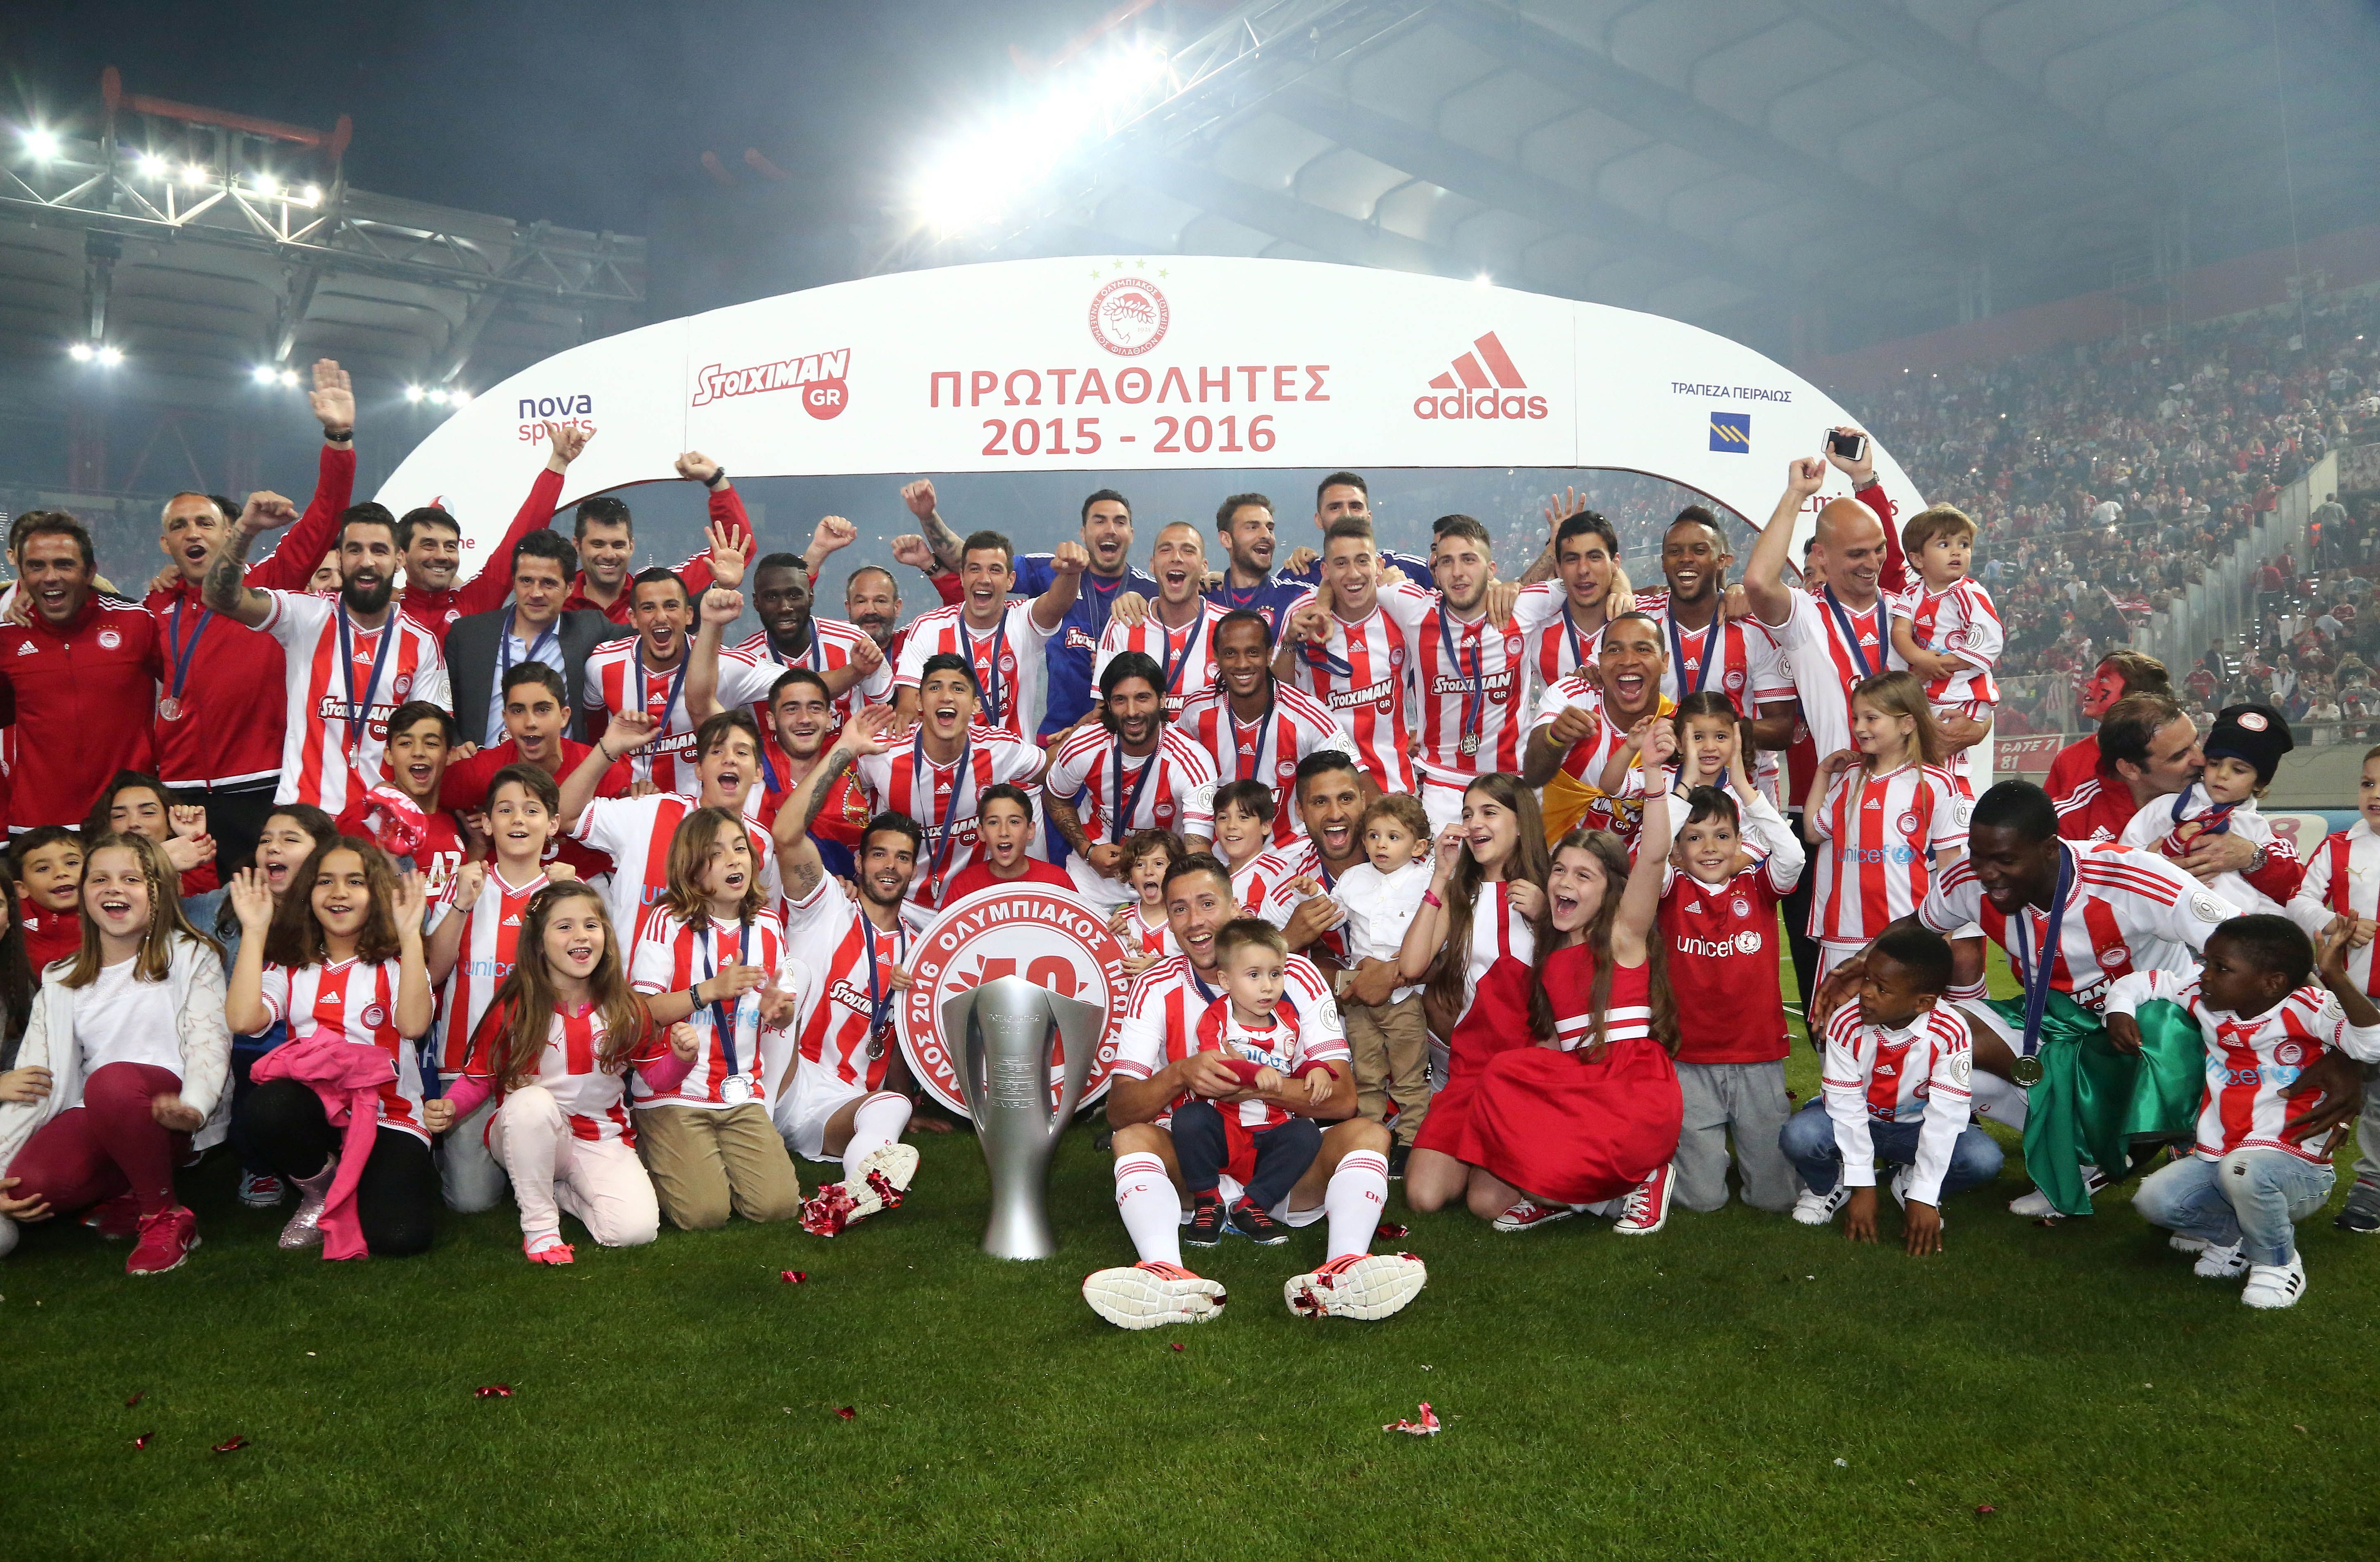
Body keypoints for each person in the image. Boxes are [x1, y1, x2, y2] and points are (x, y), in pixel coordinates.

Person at [1814, 781, 2367, 1221]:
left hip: (2148, 1029)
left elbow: (2263, 952)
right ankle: (2073, 1153)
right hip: (2052, 1024)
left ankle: (2138, 1142)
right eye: (1979, 857)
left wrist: (2344, 1054)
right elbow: (1919, 923)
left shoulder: (2133, 877)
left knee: (2160, 1021)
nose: (1986, 874)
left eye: (2003, 860)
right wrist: (1858, 963)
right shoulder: (1969, 878)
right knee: (1942, 1033)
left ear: (2048, 848)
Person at [1083, 857, 1419, 1329]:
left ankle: (1342, 1270)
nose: (1195, 921)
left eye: (1207, 903)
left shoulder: (1293, 974)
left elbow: (1344, 1100)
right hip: (1194, 1168)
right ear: (1169, 921)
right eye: (1179, 909)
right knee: (1132, 1138)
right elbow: (1120, 1111)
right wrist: (1181, 1074)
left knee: (1369, 1134)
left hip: (1283, 1168)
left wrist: (1257, 1087)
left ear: (1236, 907)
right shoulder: (1154, 985)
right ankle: (1166, 1274)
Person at [144, 361, 357, 875]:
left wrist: (338, 439)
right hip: (180, 795)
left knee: (261, 909)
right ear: (166, 543)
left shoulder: (269, 583)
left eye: (205, 522)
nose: (193, 533)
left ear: (227, 533)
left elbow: (324, 516)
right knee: (190, 912)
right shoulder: (154, 608)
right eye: (180, 526)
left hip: (261, 784)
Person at [2113, 915, 2380, 1308]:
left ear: (2271, 983)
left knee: (2243, 1170)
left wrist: (2336, 977)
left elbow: (2373, 1046)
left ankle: (2279, 1262)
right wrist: (2119, 1010)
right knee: (2155, 1200)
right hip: (2220, 1157)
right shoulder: (2204, 998)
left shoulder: (2308, 1007)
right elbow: (2144, 982)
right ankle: (2234, 1237)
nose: (2205, 974)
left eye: (2221, 968)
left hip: (2295, 1168)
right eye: (2207, 962)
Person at [0, 834, 229, 1272]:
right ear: (84, 892)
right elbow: (34, 1076)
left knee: (113, 1081)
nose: (113, 888)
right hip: (101, 1106)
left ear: (159, 891)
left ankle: (164, 1215)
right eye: (100, 879)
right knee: (29, 1187)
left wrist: (196, 1107)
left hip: (174, 1107)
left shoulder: (190, 955)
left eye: (131, 879)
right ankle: (129, 1190)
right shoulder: (61, 977)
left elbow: (210, 1042)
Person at [443, 882, 687, 1262]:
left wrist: (682, 1057)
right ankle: (541, 1228)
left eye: (591, 925)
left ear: (606, 935)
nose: (581, 935)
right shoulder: (515, 1008)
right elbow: (480, 1078)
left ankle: (562, 1192)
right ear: (538, 944)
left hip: (600, 1137)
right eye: (564, 926)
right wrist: (450, 1107)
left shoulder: (626, 1007)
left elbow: (657, 1078)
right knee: (532, 1104)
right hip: (527, 1129)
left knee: (634, 1232)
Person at [226, 837, 437, 1258]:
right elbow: (243, 1020)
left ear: (376, 894)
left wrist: (410, 936)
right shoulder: (290, 968)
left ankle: (379, 1178)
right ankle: (320, 1191)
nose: (339, 892)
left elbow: (414, 1026)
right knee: (269, 1105)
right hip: (317, 1113)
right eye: (325, 881)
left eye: (355, 881)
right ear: (308, 894)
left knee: (399, 1238)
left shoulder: (397, 965)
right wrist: (254, 931)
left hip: (389, 1115)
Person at [769, 718, 929, 1234]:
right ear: (858, 862)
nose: (890, 866)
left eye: (903, 858)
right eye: (879, 854)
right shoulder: (826, 907)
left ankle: (855, 1191)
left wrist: (908, 1105)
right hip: (784, 1078)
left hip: (840, 1106)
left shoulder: (918, 948)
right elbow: (785, 834)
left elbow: (899, 1045)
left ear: (914, 870)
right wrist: (844, 749)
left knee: (891, 1104)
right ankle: (871, 1171)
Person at [201, 499, 450, 818]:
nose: (367, 561)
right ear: (341, 558)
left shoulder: (423, 643)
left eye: (379, 550)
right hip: (305, 818)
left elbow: (431, 743)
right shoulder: (304, 614)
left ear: (399, 558)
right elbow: (219, 597)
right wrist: (246, 530)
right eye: (355, 550)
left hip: (382, 821)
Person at [626, 807, 804, 1230]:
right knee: (704, 1214)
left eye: (740, 849)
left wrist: (779, 1010)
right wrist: (708, 990)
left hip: (742, 1095)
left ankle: (707, 1162)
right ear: (691, 867)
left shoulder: (768, 924)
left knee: (778, 1206)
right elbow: (643, 1012)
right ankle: (647, 1145)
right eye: (716, 853)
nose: (733, 860)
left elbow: (784, 1014)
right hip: (675, 1094)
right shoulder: (668, 919)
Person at [1781, 924, 2002, 1252]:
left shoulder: (1951, 1030)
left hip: (1916, 1129)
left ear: (1923, 1002)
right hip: (1860, 1120)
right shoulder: (1846, 1021)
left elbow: (1946, 1115)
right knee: (1800, 1135)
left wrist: (1925, 1194)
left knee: (1983, 1159)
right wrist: (1862, 1185)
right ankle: (1830, 1184)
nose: (1866, 993)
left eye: (1882, 988)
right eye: (1867, 979)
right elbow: (1846, 1106)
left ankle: (1911, 1180)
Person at [1396, 772, 1552, 1215]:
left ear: (1521, 823)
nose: (1474, 823)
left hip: (1530, 1074)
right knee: (1423, 1196)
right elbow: (1411, 966)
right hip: (1470, 1072)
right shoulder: (1460, 892)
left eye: (1489, 812)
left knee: (1487, 1203)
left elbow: (1583, 974)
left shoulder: (1551, 887)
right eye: (1468, 814)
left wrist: (1547, 916)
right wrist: (1441, 875)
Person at [907, 481, 1154, 754]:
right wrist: (928, 517)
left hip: (1129, 732)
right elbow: (979, 562)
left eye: (1120, 522)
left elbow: (1185, 626)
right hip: (1058, 737)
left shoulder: (1152, 592)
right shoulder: (1051, 569)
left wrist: (1204, 582)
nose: (1110, 529)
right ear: (1083, 533)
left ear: (1131, 534)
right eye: (1100, 521)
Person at [1660, 766, 1806, 1217]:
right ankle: (1693, 1162)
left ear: (1741, 843)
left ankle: (1764, 1158)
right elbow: (1651, 851)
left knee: (1777, 1199)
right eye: (1694, 837)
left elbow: (1793, 855)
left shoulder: (1757, 886)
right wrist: (1683, 787)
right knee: (1702, 1200)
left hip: (1757, 1054)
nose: (1710, 847)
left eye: (1722, 836)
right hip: (1690, 1057)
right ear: (1677, 851)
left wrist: (1745, 789)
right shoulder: (1669, 889)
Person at [423, 764, 562, 1214]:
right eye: (505, 810)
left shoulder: (566, 891)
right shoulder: (464, 884)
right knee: (471, 1203)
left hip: (547, 1069)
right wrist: (462, 904)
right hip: (465, 1067)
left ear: (553, 824)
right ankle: (464, 1156)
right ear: (486, 822)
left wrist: (567, 896)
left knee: (557, 1174)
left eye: (531, 810)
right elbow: (435, 971)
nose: (518, 820)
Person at [1171, 918, 1334, 1245]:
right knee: (1190, 1118)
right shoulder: (1216, 1018)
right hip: (1225, 1132)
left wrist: (1317, 1069)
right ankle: (1208, 1200)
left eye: (1276, 974)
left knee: (1306, 1133)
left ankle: (1252, 1205)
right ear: (1226, 980)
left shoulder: (1289, 1018)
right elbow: (1214, 1062)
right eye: (1254, 975)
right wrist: (1251, 1072)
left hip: (1270, 1134)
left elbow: (1299, 1060)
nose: (1267, 986)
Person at [1800, 671, 1966, 982]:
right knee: (1836, 1013)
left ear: (1907, 723)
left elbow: (1950, 867)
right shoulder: (1850, 778)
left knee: (1899, 1012)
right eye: (1856, 718)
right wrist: (1823, 772)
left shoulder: (1936, 783)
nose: (1859, 727)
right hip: (1843, 933)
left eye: (1871, 718)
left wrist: (1943, 933)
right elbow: (1813, 832)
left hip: (1906, 936)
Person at [560, 709, 780, 945]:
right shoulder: (650, 810)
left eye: (742, 752)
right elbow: (566, 816)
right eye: (717, 751)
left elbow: (754, 915)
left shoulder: (761, 842)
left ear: (758, 773)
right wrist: (609, 748)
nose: (730, 759)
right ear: (699, 770)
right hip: (634, 969)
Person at [0, 513, 164, 828]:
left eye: (64, 564)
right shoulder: (7, 638)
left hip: (124, 821)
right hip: (40, 826)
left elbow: (188, 688)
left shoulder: (136, 622)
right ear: (22, 573)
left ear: (90, 573)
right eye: (36, 566)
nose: (50, 577)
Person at [852, 655, 1046, 914]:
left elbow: (1053, 771)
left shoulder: (999, 748)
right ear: (919, 702)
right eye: (935, 688)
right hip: (900, 904)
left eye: (958, 688)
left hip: (973, 904)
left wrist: (1079, 733)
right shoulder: (882, 753)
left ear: (976, 705)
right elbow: (843, 805)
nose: (946, 697)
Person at [1631, 506, 1797, 804]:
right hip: (1656, 788)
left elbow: (1783, 729)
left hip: (1742, 794)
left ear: (1722, 560)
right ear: (1663, 562)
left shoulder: (1754, 629)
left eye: (1699, 550)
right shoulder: (1639, 624)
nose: (1686, 559)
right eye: (1675, 551)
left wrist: (1715, 732)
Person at [220, 804, 339, 1209]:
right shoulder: (235, 903)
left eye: (290, 839)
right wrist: (255, 928)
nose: (273, 847)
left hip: (338, 1047)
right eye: (265, 840)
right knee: (249, 1051)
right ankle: (260, 1162)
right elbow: (245, 1019)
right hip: (268, 1042)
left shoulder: (347, 906)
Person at [2287, 744, 2380, 1233]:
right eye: (2368, 783)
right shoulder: (2339, 845)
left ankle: (2372, 1188)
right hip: (2347, 1001)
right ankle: (2290, 1169)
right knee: (2334, 1088)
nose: (2375, 794)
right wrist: (2334, 922)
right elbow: (2299, 900)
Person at [1046, 652, 1217, 909]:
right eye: (1120, 700)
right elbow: (1056, 797)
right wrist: (1088, 851)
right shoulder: (1083, 746)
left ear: (1162, 700)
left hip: (1164, 878)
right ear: (1108, 704)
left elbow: (1198, 849)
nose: (1132, 712)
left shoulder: (1192, 761)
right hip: (1094, 875)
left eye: (1142, 698)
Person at [1171, 610, 1354, 848]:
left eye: (1253, 653)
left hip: (1290, 854)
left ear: (1269, 655)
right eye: (1231, 654)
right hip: (1218, 855)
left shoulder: (1306, 714)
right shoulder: (1195, 713)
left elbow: (1355, 777)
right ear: (1216, 657)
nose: (1242, 664)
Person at [1279, 518, 1434, 798]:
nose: (1353, 574)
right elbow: (1280, 695)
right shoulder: (1304, 614)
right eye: (1341, 564)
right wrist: (1289, 642)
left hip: (1397, 791)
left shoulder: (1401, 609)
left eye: (1362, 561)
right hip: (1330, 795)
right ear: (1325, 571)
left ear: (1378, 565)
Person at [892, 530, 1086, 742]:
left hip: (1013, 761)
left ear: (1011, 580)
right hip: (949, 760)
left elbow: (1057, 604)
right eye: (975, 569)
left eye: (995, 570)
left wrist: (1071, 574)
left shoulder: (1022, 621)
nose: (984, 579)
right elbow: (908, 708)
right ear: (962, 577)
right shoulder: (929, 628)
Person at [1326, 792, 1433, 1174]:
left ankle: (1410, 1140)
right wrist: (1311, 895)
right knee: (1366, 1070)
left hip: (1403, 992)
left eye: (1393, 837)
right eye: (1373, 836)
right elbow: (1334, 913)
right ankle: (1368, 1135)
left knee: (1409, 1072)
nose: (1381, 845)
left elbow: (1435, 936)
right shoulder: (1354, 878)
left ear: (1418, 846)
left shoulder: (1425, 882)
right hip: (1357, 991)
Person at [579, 534, 733, 796]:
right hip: (631, 807)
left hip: (702, 811)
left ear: (689, 614)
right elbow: (593, 738)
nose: (661, 617)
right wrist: (617, 788)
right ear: (633, 618)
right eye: (648, 608)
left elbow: (793, 687)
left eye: (671, 606)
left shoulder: (726, 663)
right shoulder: (601, 664)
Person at [440, 665, 624, 884]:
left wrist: (641, 793)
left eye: (543, 710)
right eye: (518, 711)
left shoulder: (601, 769)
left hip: (586, 887)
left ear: (564, 716)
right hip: (502, 889)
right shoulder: (480, 771)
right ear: (505, 718)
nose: (530, 723)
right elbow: (423, 799)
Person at [2119, 704, 2297, 916]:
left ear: (2259, 784)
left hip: (2236, 926)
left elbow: (2287, 894)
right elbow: (2125, 859)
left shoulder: (2258, 829)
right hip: (2169, 917)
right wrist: (2164, 859)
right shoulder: (2167, 806)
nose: (2223, 775)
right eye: (2214, 763)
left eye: (2238, 770)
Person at [443, 529, 614, 747]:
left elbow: (647, 634)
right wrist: (456, 747)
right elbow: (441, 707)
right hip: (484, 763)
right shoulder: (469, 635)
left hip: (559, 767)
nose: (536, 593)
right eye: (526, 581)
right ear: (514, 582)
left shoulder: (590, 629)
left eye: (548, 583)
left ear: (570, 588)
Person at [554, 449, 757, 625]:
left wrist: (715, 480)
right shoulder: (554, 597)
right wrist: (557, 464)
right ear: (577, 545)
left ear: (632, 546)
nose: (609, 555)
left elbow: (735, 549)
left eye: (618, 545)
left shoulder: (661, 592)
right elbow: (530, 543)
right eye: (598, 544)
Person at [1525, 611, 1671, 844]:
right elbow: (1533, 775)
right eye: (1615, 650)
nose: (1628, 660)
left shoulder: (1674, 725)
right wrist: (1555, 737)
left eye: (1643, 649)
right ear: (1600, 662)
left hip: (1636, 866)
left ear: (1664, 662)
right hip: (1553, 859)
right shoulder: (1574, 697)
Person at [1886, 504, 2002, 798]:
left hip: (1963, 691)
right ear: (1917, 559)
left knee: (1943, 747)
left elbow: (1988, 641)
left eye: (1964, 544)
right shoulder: (1911, 593)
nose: (1957, 552)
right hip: (1927, 689)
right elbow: (1900, 633)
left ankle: (1954, 801)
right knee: (1917, 752)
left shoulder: (1970, 593)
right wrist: (1920, 658)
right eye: (1944, 544)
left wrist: (1945, 663)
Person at [1095, 522, 1226, 718]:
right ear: (1152, 564)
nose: (1176, 558)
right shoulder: (1123, 624)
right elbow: (1103, 711)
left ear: (1204, 567)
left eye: (1188, 551)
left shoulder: (1228, 626)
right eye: (1166, 550)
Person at [2043, 650, 2171, 828]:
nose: (2089, 684)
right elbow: (2045, 827)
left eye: (2103, 679)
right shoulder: (2068, 759)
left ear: (2135, 695)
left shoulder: (2172, 754)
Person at [1512, 506, 1626, 697]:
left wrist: (1623, 587)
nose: (1583, 570)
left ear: (1615, 563)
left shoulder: (1645, 620)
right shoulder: (1536, 633)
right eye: (1572, 559)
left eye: (1594, 557)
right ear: (1558, 568)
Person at [359, 702, 468, 900]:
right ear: (389, 755)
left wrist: (479, 845)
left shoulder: (457, 819)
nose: (418, 752)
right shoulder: (365, 818)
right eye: (405, 743)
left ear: (450, 755)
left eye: (431, 744)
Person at [81, 773, 219, 927]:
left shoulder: (190, 870)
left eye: (148, 813)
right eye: (119, 816)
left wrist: (192, 838)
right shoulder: (93, 868)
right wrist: (160, 861)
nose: (133, 823)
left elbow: (206, 916)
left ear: (169, 824)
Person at [1275, 471, 1435, 590]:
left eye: (1355, 507)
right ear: (1319, 520)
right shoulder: (1296, 576)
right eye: (1335, 507)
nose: (1346, 515)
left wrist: (1412, 595)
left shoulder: (1413, 570)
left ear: (1369, 518)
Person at [938, 784, 1071, 900]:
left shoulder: (1056, 881)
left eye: (1014, 822)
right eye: (993, 823)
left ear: (1030, 830)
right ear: (981, 832)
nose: (1004, 832)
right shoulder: (963, 886)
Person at [1205, 492, 1307, 635]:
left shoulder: (1298, 598)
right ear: (1226, 540)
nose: (1266, 535)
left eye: (1270, 529)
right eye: (1253, 527)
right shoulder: (1203, 599)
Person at [1210, 780, 1297, 917]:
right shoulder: (1208, 877)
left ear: (1266, 826)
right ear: (1215, 826)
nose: (1231, 826)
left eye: (1243, 817)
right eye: (1223, 818)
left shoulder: (1281, 875)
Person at [1108, 830, 1187, 973]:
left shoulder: (1189, 917)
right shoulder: (1121, 921)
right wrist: (1122, 945)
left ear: (1176, 871)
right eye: (1140, 865)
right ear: (1130, 876)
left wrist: (1156, 967)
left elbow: (1203, 965)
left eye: (1159, 864)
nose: (1148, 871)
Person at [12, 828, 85, 973]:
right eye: (43, 869)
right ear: (22, 889)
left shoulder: (107, 915)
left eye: (72, 863)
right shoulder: (12, 918)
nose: (61, 873)